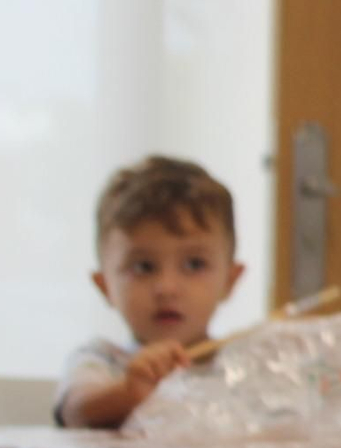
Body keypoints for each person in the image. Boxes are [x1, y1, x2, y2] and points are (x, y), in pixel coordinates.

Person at [57, 156, 245, 429]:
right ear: (104, 286)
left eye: (194, 264)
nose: (167, 288)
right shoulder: (101, 360)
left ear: (230, 280)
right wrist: (127, 393)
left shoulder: (241, 367)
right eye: (144, 267)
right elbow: (75, 410)